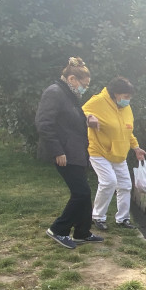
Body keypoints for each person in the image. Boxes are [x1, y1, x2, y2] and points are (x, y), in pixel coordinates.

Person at [35, 57, 104, 249]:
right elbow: (44, 124)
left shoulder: (68, 95)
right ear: (72, 79)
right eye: (84, 85)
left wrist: (87, 119)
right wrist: (57, 151)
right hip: (64, 152)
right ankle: (58, 229)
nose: (84, 89)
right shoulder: (54, 92)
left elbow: (68, 119)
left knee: (84, 192)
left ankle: (82, 232)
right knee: (81, 193)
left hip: (75, 151)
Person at [82, 76, 146, 230]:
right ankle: (98, 217)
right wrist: (90, 117)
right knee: (109, 182)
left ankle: (123, 219)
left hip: (119, 154)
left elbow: (127, 131)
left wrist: (136, 148)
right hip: (99, 151)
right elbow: (80, 111)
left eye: (129, 97)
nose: (128, 100)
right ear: (115, 94)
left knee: (125, 185)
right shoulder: (98, 101)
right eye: (125, 96)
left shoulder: (126, 108)